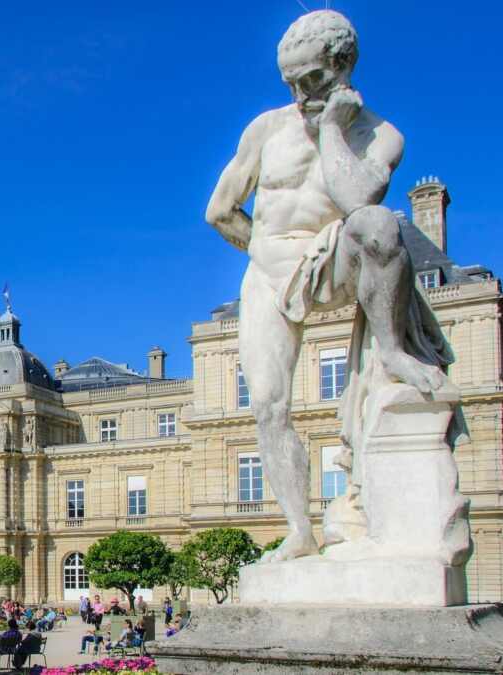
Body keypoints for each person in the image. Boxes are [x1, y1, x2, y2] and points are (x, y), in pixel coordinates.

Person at [205, 9, 453, 564]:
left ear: (342, 66)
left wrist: (333, 129)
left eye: (310, 79)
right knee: (268, 406)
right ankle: (300, 529)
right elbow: (220, 211)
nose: (298, 93)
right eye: (289, 81)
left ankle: (391, 348)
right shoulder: (266, 128)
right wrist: (270, 253)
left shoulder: (380, 135)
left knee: (379, 224)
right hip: (270, 270)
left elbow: (358, 201)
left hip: (334, 254)